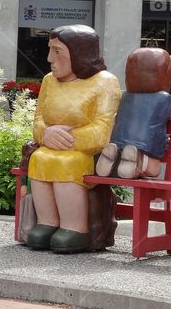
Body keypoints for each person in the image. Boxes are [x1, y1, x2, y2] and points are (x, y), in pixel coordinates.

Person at [24, 25, 121, 253]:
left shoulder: (104, 82)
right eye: (50, 50)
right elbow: (38, 119)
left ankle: (75, 228)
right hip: (50, 147)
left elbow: (102, 129)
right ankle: (47, 223)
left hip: (89, 153)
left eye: (57, 52)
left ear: (79, 54)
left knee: (67, 162)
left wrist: (68, 138)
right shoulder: (49, 81)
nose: (50, 58)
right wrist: (45, 134)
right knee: (39, 158)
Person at [96, 48, 171, 180]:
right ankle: (139, 162)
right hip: (145, 142)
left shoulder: (126, 96)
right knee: (152, 167)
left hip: (119, 138)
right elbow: (162, 119)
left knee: (126, 148)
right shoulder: (163, 98)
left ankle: (113, 154)